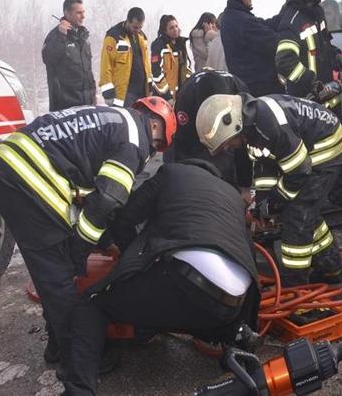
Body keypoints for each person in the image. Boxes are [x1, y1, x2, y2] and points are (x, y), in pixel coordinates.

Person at [0, 97, 176, 394]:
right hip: (27, 179)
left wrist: (105, 240)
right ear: (157, 126)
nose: (152, 153)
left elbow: (89, 188)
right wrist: (83, 245)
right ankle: (78, 358)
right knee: (59, 277)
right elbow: (109, 198)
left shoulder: (111, 119)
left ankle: (58, 345)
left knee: (50, 269)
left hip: (6, 167)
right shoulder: (134, 141)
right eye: (158, 146)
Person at [68, 158, 260, 396]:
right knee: (182, 298)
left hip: (184, 284)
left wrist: (128, 261)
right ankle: (236, 341)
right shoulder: (230, 194)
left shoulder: (170, 172)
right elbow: (248, 253)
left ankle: (78, 390)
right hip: (232, 306)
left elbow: (124, 218)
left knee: (91, 304)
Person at [197, 92, 342, 286]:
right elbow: (264, 166)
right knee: (307, 214)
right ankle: (331, 268)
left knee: (297, 214)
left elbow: (299, 172)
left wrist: (275, 202)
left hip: (324, 146)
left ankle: (297, 288)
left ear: (234, 126)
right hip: (304, 152)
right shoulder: (250, 127)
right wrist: (261, 205)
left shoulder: (268, 126)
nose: (228, 149)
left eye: (227, 144)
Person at [275, 0, 342, 113]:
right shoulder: (291, 21)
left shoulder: (317, 14)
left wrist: (335, 55)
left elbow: (324, 45)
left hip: (329, 102)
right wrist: (311, 82)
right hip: (308, 106)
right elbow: (284, 60)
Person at [165, 68, 252, 189]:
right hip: (191, 130)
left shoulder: (240, 95)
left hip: (230, 114)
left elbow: (244, 147)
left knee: (226, 164)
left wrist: (245, 185)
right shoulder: (187, 100)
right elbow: (180, 145)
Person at [220, 0, 283, 96]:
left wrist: (287, 10)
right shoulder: (242, 21)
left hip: (248, 90)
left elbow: (266, 24)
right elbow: (274, 43)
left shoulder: (233, 16)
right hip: (261, 93)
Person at [42, 0, 96, 111]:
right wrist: (62, 36)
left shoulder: (84, 37)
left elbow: (88, 71)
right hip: (65, 108)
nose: (83, 16)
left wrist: (93, 95)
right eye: (79, 13)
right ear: (67, 13)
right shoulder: (55, 36)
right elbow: (48, 59)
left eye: (83, 12)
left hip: (87, 105)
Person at [98, 8, 151, 107]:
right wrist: (108, 93)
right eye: (135, 27)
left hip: (142, 92)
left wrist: (149, 84)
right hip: (124, 95)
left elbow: (146, 63)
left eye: (140, 27)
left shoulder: (142, 36)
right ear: (128, 21)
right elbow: (106, 65)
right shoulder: (113, 36)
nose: (138, 30)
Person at [150, 14, 192, 101]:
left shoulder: (181, 45)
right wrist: (167, 97)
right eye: (171, 28)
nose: (175, 30)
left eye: (176, 26)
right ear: (165, 31)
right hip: (163, 98)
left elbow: (187, 69)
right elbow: (156, 73)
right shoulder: (158, 46)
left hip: (180, 97)